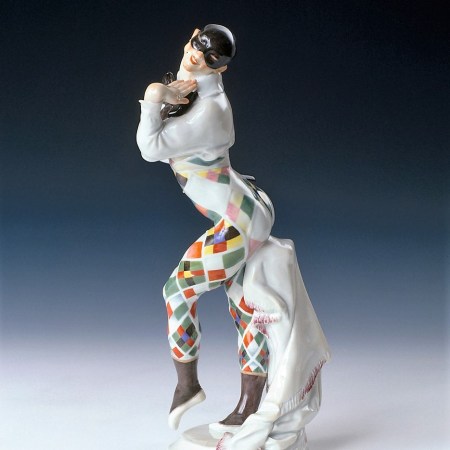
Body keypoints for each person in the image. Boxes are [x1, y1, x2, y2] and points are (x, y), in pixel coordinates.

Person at [136, 25, 275, 431]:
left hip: (238, 219)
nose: (199, 56)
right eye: (199, 45)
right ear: (193, 36)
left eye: (211, 57)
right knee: (245, 306)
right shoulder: (191, 90)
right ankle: (250, 408)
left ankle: (188, 385)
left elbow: (150, 148)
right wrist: (165, 94)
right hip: (239, 210)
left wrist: (153, 97)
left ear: (221, 69)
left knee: (177, 291)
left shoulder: (211, 110)